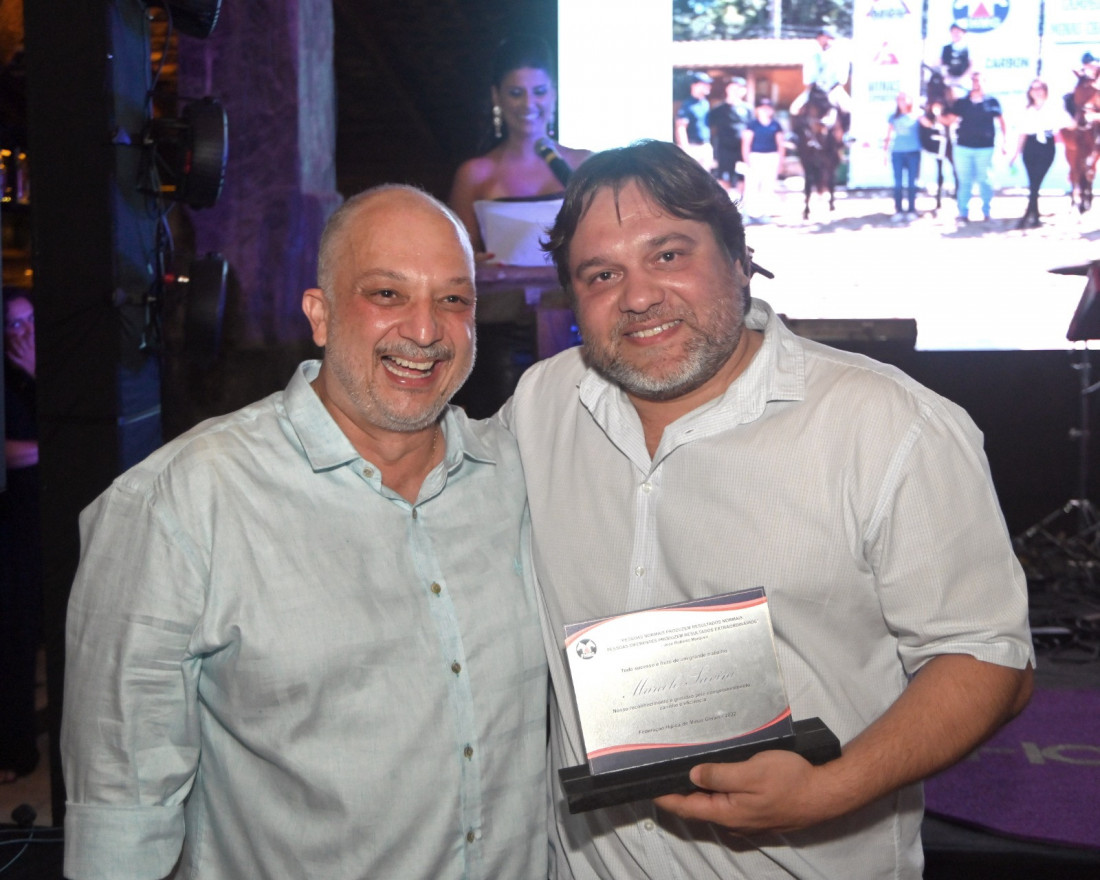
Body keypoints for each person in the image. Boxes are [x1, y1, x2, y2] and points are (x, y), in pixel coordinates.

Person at [498, 139, 1034, 880]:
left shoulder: (888, 425)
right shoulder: (543, 405)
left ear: (740, 260)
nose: (639, 296)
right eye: (602, 274)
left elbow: (988, 657)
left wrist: (829, 790)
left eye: (668, 255)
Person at [61, 186, 549, 879]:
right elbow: (121, 814)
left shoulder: (521, 476)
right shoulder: (180, 503)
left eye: (453, 299)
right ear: (319, 315)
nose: (424, 330)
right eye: (387, 294)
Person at [449, 34, 591, 416]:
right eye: (516, 93)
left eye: (539, 91)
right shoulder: (475, 174)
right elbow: (456, 263)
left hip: (580, 327)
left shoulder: (583, 165)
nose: (529, 104)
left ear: (554, 94)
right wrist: (474, 263)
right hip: (502, 336)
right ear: (497, 97)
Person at [1, 287, 41, 784]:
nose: (25, 332)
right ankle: (13, 749)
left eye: (29, 320)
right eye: (14, 324)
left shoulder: (32, 370)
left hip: (34, 514)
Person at [943, 71, 1006, 223]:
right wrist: (935, 114)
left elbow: (1002, 122)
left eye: (979, 81)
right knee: (964, 181)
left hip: (985, 148)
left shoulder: (992, 101)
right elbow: (950, 120)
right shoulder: (962, 102)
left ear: (984, 82)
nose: (976, 84)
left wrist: (1005, 141)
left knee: (985, 180)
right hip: (963, 148)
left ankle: (987, 213)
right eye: (973, 81)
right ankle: (963, 213)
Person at [1009, 78, 1072, 229]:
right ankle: (1034, 215)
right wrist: (1015, 153)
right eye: (1033, 89)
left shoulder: (1053, 108)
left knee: (1036, 182)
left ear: (1045, 91)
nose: (1036, 92)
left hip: (1046, 145)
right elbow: (1022, 133)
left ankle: (1028, 215)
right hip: (1030, 146)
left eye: (1039, 89)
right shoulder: (1026, 109)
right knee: (1033, 182)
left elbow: (1069, 123)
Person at [789, 26, 851, 122]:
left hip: (834, 89)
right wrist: (813, 85)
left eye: (826, 38)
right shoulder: (813, 56)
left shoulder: (840, 55)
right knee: (794, 109)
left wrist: (830, 86)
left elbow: (842, 77)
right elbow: (808, 75)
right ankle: (797, 131)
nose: (823, 40)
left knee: (849, 109)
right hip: (814, 89)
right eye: (821, 38)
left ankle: (847, 131)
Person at [741, 97, 786, 223]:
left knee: (768, 186)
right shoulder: (752, 125)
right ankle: (747, 214)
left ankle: (765, 213)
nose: (765, 111)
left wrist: (781, 162)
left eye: (768, 108)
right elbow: (746, 144)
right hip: (755, 157)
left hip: (771, 157)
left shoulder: (776, 125)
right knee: (751, 186)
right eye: (762, 108)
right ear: (757, 110)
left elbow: (780, 144)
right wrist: (747, 160)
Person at [707, 76, 753, 194]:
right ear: (727, 89)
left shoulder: (747, 109)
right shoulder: (718, 109)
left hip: (741, 149)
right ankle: (726, 202)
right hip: (724, 149)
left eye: (738, 88)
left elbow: (751, 129)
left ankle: (741, 203)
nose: (735, 91)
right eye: (732, 88)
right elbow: (709, 127)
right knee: (723, 176)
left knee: (741, 176)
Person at [884, 91, 923, 220]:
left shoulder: (917, 115)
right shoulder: (893, 117)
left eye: (904, 99)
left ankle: (912, 210)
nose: (901, 102)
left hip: (913, 152)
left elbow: (928, 125)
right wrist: (885, 152)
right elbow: (888, 135)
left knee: (912, 183)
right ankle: (898, 211)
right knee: (898, 183)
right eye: (899, 99)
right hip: (897, 153)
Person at [674, 71, 715, 169]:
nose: (708, 87)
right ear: (694, 85)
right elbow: (680, 128)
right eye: (704, 84)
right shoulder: (687, 105)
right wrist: (685, 149)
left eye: (708, 84)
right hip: (692, 147)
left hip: (705, 145)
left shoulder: (705, 103)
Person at [939, 23, 975, 98]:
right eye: (953, 32)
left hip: (964, 82)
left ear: (963, 33)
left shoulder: (968, 48)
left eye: (958, 32)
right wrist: (947, 77)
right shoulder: (946, 48)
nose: (955, 34)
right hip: (949, 81)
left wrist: (962, 79)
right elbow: (942, 64)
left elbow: (972, 65)